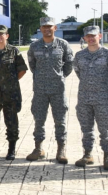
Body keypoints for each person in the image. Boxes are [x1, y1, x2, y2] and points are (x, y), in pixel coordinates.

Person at [26, 17, 74, 164]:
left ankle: (61, 150)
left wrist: (59, 77)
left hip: (58, 90)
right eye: (44, 27)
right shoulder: (34, 46)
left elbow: (69, 65)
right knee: (39, 120)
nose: (47, 29)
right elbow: (32, 65)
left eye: (49, 27)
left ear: (55, 28)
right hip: (40, 90)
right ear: (40, 29)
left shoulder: (63, 45)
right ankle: (38, 149)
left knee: (60, 121)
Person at [72, 26, 108, 170]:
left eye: (94, 36)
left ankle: (107, 157)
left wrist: (102, 87)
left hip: (102, 98)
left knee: (104, 129)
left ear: (99, 36)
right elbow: (78, 72)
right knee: (86, 128)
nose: (91, 39)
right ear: (84, 38)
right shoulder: (79, 56)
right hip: (84, 97)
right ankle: (87, 155)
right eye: (88, 36)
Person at [0, 25, 28, 160]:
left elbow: (22, 70)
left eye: (2, 34)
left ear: (7, 36)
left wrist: (10, 82)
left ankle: (11, 149)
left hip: (10, 93)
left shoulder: (14, 51)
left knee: (11, 120)